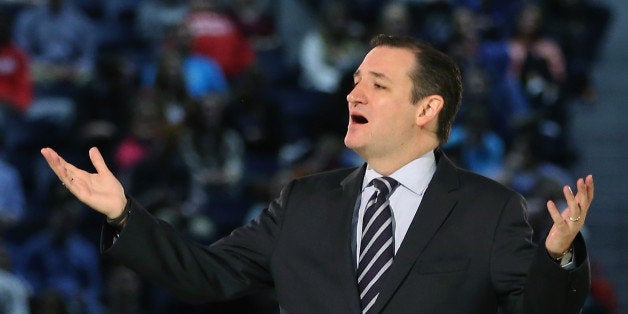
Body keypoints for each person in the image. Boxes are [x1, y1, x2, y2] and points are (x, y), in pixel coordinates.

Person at [40, 34, 594, 313]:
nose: (353, 93)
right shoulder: (302, 202)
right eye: (355, 80)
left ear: (426, 109)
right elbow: (208, 274)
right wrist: (122, 213)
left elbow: (545, 309)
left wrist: (559, 255)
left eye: (377, 84)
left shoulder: (486, 208)